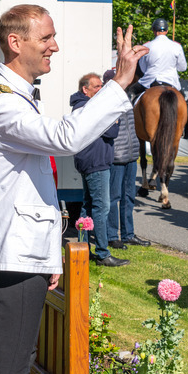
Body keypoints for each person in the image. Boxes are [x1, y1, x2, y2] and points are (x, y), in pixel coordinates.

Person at [0, 4, 146, 374]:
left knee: (14, 367)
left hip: (19, 251)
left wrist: (47, 255)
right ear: (15, 42)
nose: (55, 46)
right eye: (46, 38)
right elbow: (65, 139)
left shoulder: (8, 95)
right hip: (13, 256)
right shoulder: (3, 104)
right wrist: (118, 84)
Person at [70, 72, 127, 267]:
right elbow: (113, 131)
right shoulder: (89, 107)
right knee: (101, 207)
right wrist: (113, 119)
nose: (100, 89)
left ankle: (84, 248)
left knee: (87, 206)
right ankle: (103, 253)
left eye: (101, 86)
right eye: (96, 87)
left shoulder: (80, 106)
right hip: (96, 163)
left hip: (90, 161)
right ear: (85, 90)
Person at [103, 69, 150, 251]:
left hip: (131, 155)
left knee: (129, 196)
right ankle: (113, 235)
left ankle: (128, 234)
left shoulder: (128, 99)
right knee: (114, 197)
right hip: (116, 156)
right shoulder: (107, 102)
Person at [128, 18, 186, 97]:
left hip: (149, 81)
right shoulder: (177, 46)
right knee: (184, 101)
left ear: (154, 31)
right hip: (171, 81)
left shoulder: (146, 46)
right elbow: (182, 68)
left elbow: (143, 69)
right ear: (166, 31)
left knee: (131, 92)